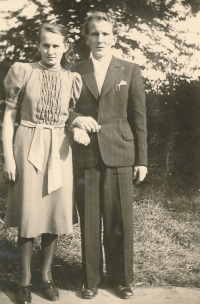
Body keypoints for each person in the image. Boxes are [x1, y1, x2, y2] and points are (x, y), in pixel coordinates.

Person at [2, 23, 90, 304]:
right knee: (29, 214)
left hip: (60, 149)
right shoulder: (23, 71)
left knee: (53, 213)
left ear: (65, 47)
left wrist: (76, 125)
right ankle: (24, 281)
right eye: (45, 45)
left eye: (56, 45)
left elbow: (70, 114)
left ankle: (47, 277)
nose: (51, 51)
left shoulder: (71, 78)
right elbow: (8, 118)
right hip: (27, 145)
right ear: (38, 46)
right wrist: (8, 157)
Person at [70, 11, 148, 300]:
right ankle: (90, 280)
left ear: (114, 38)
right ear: (86, 38)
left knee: (119, 221)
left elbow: (139, 118)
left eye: (105, 33)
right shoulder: (75, 70)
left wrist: (142, 160)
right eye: (94, 33)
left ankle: (122, 280)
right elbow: (62, 108)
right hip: (86, 155)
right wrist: (75, 119)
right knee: (90, 220)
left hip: (121, 152)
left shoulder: (129, 69)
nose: (100, 38)